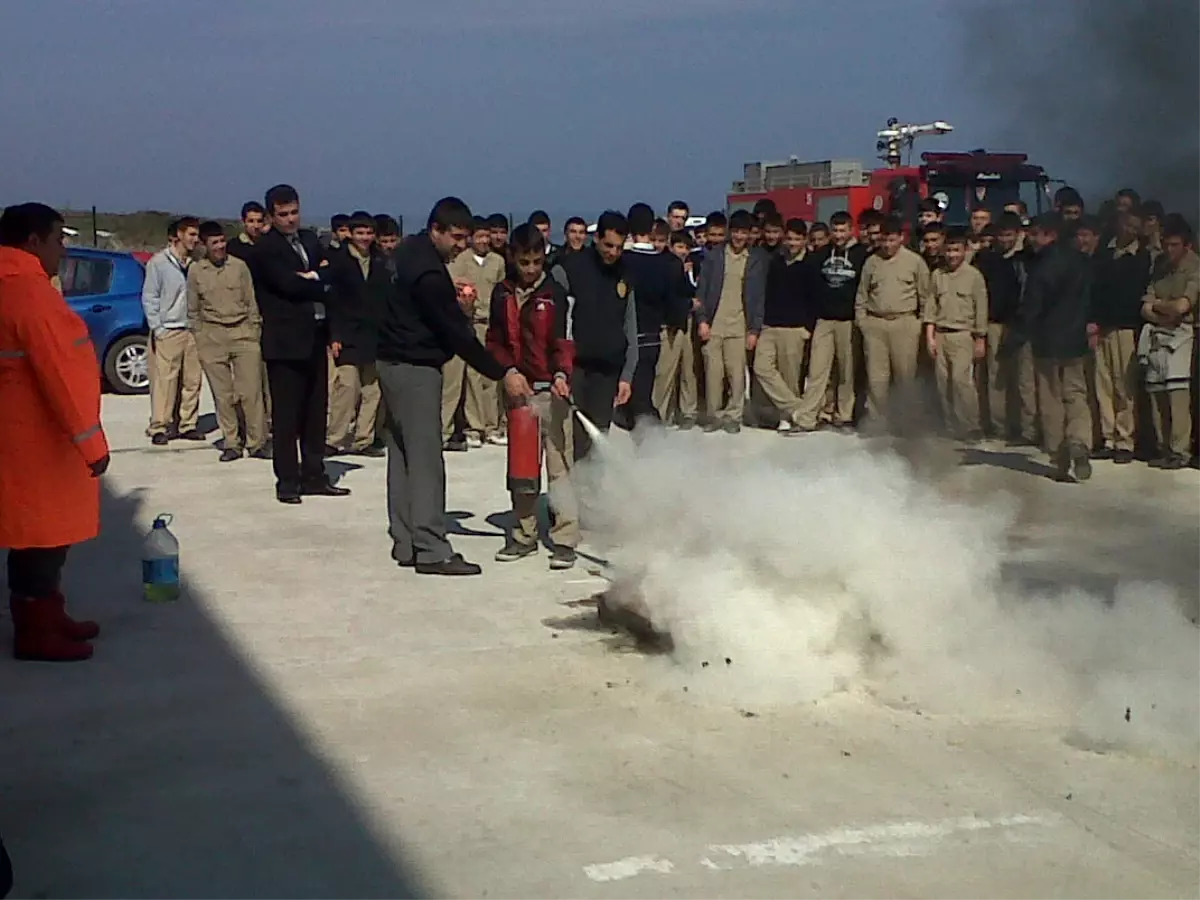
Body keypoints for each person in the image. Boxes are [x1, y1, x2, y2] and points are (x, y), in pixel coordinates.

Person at [377, 197, 531, 576]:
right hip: (415, 368)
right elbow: (456, 334)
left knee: (401, 455)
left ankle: (405, 540)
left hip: (388, 362)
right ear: (436, 230)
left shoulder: (403, 253)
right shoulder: (429, 273)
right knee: (427, 458)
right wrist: (502, 373)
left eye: (465, 237)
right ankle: (431, 548)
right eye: (457, 237)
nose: (462, 244)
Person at [0, 202, 109, 662]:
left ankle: (48, 614)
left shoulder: (17, 286)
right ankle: (34, 631)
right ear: (32, 241)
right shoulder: (28, 294)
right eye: (58, 238)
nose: (63, 248)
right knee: (40, 540)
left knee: (37, 538)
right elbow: (61, 374)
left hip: (25, 436)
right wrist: (93, 446)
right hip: (38, 442)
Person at [487, 224, 579, 570]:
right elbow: (494, 342)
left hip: (550, 394)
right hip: (518, 395)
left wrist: (561, 375)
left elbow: (564, 342)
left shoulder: (556, 294)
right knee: (523, 471)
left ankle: (565, 538)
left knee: (560, 469)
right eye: (524, 262)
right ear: (513, 257)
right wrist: (508, 371)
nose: (530, 269)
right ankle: (524, 535)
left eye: (537, 262)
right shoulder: (501, 294)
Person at [252, 184, 348, 504]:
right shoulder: (265, 248)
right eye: (283, 215)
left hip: (315, 336)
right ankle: (288, 480)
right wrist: (313, 280)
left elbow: (335, 273)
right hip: (285, 342)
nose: (290, 219)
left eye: (294, 212)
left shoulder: (310, 239)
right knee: (287, 416)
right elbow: (287, 285)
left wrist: (315, 279)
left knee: (315, 412)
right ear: (271, 216)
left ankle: (314, 474)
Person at [1008, 213, 1096, 482]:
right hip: (1075, 340)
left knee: (1050, 399)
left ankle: (1060, 458)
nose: (1030, 239)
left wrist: (1016, 338)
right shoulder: (1082, 261)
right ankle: (1079, 441)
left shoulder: (1041, 267)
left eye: (1035, 234)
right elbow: (1092, 296)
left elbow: (1032, 307)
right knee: (1077, 394)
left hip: (1046, 341)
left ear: (1050, 234)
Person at [551, 210, 637, 459]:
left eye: (619, 247)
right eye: (608, 245)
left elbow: (630, 326)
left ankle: (592, 494)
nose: (613, 253)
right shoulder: (569, 270)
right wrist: (560, 369)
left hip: (608, 371)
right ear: (596, 238)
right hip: (574, 369)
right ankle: (570, 495)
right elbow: (559, 324)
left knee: (597, 440)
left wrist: (627, 376)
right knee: (569, 440)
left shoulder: (625, 274)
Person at [186, 221, 269, 462]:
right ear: (204, 245)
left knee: (251, 392)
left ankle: (257, 442)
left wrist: (254, 331)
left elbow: (251, 301)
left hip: (243, 333)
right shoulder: (196, 271)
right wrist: (200, 337)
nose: (220, 247)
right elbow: (193, 309)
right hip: (212, 336)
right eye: (215, 243)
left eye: (222, 241)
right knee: (223, 395)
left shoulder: (239, 267)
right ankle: (232, 442)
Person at [617, 204, 691, 432]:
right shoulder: (665, 264)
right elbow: (675, 301)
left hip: (622, 337)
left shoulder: (621, 262)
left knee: (624, 396)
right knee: (645, 391)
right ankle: (648, 440)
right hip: (652, 335)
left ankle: (645, 438)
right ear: (652, 228)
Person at [793, 211, 868, 433]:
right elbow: (811, 286)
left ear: (851, 230)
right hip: (824, 320)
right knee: (817, 371)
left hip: (848, 321)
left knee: (847, 372)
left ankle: (844, 416)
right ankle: (808, 418)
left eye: (843, 230)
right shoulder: (821, 254)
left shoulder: (861, 255)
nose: (838, 234)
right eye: (835, 230)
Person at [855, 216, 933, 424]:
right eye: (883, 240)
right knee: (876, 377)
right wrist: (863, 323)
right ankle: (877, 421)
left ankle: (907, 421)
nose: (887, 245)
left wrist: (920, 325)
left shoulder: (915, 261)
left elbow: (925, 297)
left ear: (901, 238)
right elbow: (862, 295)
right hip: (876, 324)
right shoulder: (872, 261)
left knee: (905, 375)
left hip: (905, 323)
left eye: (891, 240)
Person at [695, 209, 767, 433]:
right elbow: (701, 291)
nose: (738, 237)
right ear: (729, 232)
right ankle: (714, 415)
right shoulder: (714, 256)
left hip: (739, 325)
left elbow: (758, 298)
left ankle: (733, 415)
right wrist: (702, 320)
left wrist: (754, 329)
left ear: (749, 235)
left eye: (743, 232)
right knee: (713, 374)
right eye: (735, 231)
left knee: (736, 374)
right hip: (714, 324)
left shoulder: (755, 260)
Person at [325, 211, 389, 458]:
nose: (364, 238)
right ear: (350, 234)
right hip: (347, 334)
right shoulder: (338, 261)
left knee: (372, 389)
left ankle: (364, 439)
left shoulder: (380, 261)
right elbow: (333, 301)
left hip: (374, 334)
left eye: (369, 233)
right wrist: (335, 335)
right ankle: (335, 438)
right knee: (347, 387)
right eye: (360, 233)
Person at [1138, 215, 1200, 470]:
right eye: (1166, 244)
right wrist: (1164, 310)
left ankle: (1179, 450)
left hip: (1182, 333)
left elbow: (1184, 305)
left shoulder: (1194, 266)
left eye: (1175, 245)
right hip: (1158, 332)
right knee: (1156, 390)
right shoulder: (1160, 265)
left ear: (1186, 245)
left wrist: (1160, 307)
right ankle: (1164, 447)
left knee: (1177, 392)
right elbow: (1145, 307)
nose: (1169, 249)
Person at [142, 216, 205, 446]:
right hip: (169, 328)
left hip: (192, 329)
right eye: (191, 234)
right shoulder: (158, 263)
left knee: (192, 380)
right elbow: (150, 296)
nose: (195, 240)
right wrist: (158, 328)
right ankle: (160, 425)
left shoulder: (196, 263)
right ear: (179, 235)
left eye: (197, 235)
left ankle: (187, 423)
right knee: (165, 381)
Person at [447, 216, 508, 447]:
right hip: (470, 322)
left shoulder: (497, 262)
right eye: (479, 237)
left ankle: (492, 426)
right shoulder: (461, 261)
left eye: (486, 236)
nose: (484, 241)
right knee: (472, 377)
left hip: (491, 323)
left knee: (491, 378)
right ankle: (475, 427)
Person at [754, 219, 818, 435]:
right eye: (789, 238)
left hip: (796, 327)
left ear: (804, 240)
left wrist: (808, 327)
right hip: (771, 325)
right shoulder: (776, 261)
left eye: (797, 239)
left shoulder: (811, 264)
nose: (792, 243)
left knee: (790, 375)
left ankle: (786, 418)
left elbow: (815, 299)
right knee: (761, 368)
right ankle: (797, 409)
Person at [925, 228, 988, 441]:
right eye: (949, 250)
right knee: (943, 383)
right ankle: (950, 426)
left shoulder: (974, 276)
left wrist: (980, 339)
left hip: (963, 335)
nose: (952, 255)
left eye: (956, 250)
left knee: (962, 383)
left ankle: (970, 425)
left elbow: (981, 309)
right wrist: (930, 337)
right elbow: (931, 307)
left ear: (965, 251)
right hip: (941, 334)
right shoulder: (937, 275)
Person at [973, 212, 1028, 440]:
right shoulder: (986, 259)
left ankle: (1025, 427)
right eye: (1001, 236)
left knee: (1022, 379)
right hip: (994, 322)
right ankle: (999, 426)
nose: (1005, 240)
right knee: (996, 377)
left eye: (1009, 235)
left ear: (1017, 234)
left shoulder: (1025, 259)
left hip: (1020, 324)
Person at [653, 229, 701, 428]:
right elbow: (671, 297)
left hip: (685, 323)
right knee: (665, 372)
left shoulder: (685, 266)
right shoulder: (666, 265)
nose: (682, 251)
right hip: (671, 324)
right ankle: (661, 414)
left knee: (688, 369)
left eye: (686, 247)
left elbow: (690, 289)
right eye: (679, 246)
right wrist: (689, 304)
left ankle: (687, 411)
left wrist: (688, 274)